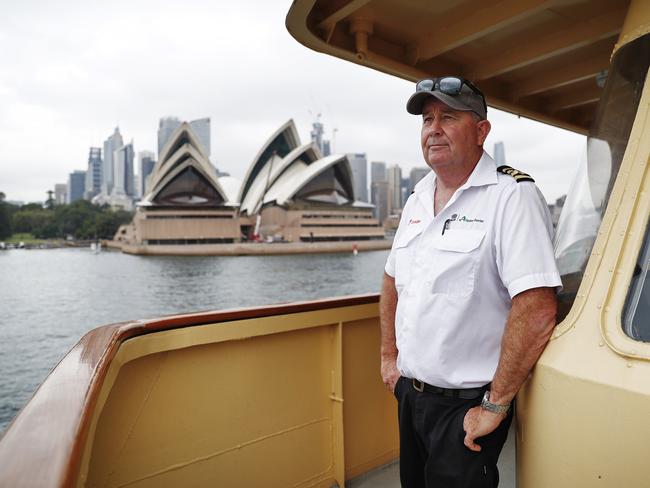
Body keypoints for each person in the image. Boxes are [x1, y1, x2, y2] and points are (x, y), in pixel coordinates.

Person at [380, 76, 561, 487]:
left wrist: (495, 406)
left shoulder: (510, 195)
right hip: (410, 395)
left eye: (448, 117)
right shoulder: (416, 198)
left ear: (482, 131)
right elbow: (392, 279)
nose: (433, 128)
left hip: (466, 406)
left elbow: (536, 306)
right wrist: (389, 358)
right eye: (427, 119)